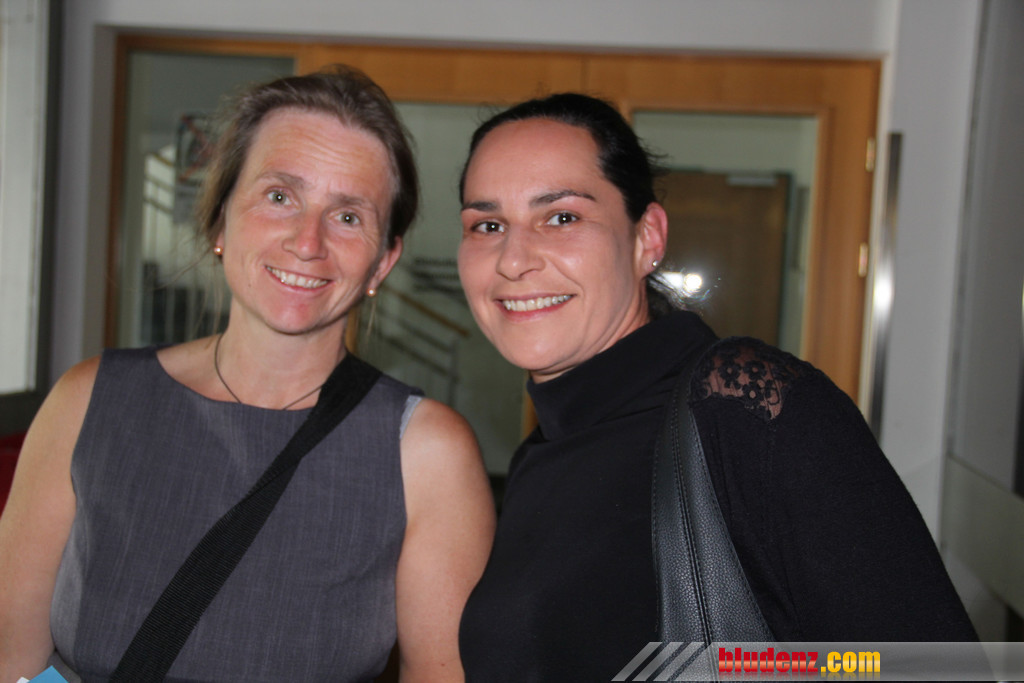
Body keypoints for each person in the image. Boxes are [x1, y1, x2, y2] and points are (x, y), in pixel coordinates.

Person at [454, 93, 977, 681]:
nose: (514, 259)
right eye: (487, 225)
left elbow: (930, 667)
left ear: (647, 237)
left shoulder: (744, 408)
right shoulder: (541, 454)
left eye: (562, 218)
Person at [0, 65, 495, 682]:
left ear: (382, 262)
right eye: (280, 196)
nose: (307, 242)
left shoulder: (425, 453)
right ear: (220, 219)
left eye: (348, 216)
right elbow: (11, 659)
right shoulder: (89, 400)